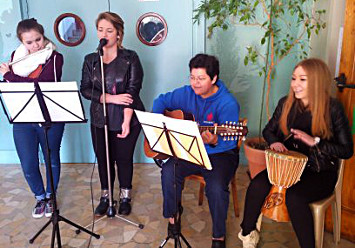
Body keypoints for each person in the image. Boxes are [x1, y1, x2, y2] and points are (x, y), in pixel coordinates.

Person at [238, 58, 354, 248]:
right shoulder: (286, 103)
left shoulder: (333, 108)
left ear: (317, 81)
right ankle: (247, 233)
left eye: (302, 79)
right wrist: (274, 141)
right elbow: (269, 130)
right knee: (257, 185)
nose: (295, 84)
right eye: (294, 79)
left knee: (295, 197)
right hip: (289, 168)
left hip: (320, 171)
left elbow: (347, 150)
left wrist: (314, 141)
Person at [152, 54, 240, 248]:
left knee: (216, 188)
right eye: (192, 77)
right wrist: (159, 123)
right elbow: (160, 101)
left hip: (220, 154)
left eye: (201, 79)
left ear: (214, 78)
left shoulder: (228, 103)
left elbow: (231, 142)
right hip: (190, 150)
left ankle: (218, 236)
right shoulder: (185, 93)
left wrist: (216, 140)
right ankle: (173, 219)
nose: (195, 83)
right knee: (168, 171)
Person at [80, 12, 145, 216]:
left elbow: (133, 90)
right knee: (103, 159)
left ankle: (125, 195)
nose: (104, 34)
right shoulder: (90, 60)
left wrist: (126, 121)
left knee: (124, 158)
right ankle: (106, 196)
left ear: (118, 33)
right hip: (100, 118)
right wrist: (110, 98)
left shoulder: (130, 58)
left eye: (109, 30)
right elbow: (85, 89)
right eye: (100, 30)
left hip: (127, 117)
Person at [0, 18, 65, 219]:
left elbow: (41, 84)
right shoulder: (15, 57)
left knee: (51, 159)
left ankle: (51, 196)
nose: (36, 45)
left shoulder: (54, 57)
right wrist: (9, 78)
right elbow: (15, 89)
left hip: (49, 117)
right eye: (29, 42)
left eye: (39, 39)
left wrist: (9, 77)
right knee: (28, 163)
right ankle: (40, 197)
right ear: (21, 42)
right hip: (23, 118)